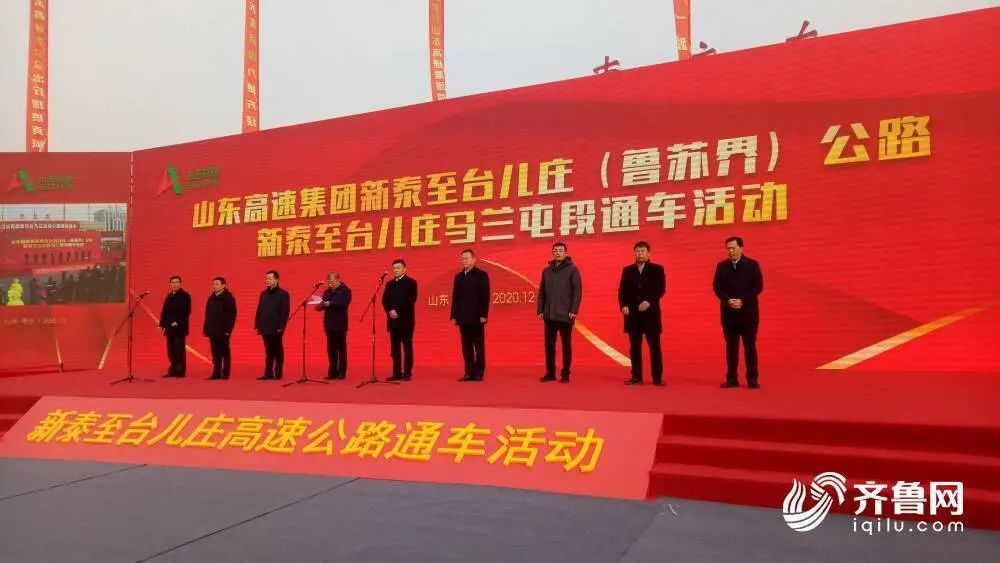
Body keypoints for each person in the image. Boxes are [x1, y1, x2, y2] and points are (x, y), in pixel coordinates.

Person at [713, 236, 764, 389]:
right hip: (729, 314)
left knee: (750, 347)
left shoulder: (752, 265)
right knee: (731, 349)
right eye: (728, 248)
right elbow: (717, 288)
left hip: (748, 314)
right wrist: (728, 300)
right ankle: (731, 379)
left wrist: (742, 300)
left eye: (733, 248)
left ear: (741, 248)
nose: (730, 251)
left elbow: (757, 287)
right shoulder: (721, 267)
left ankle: (752, 379)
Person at [618, 241, 666, 386]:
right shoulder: (628, 270)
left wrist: (649, 301)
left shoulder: (657, 269)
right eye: (638, 251)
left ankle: (657, 377)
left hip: (651, 313)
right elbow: (622, 290)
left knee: (654, 346)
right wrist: (623, 305)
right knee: (634, 347)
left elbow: (661, 289)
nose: (640, 254)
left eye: (643, 251)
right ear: (635, 253)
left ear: (648, 253)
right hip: (633, 314)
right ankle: (636, 376)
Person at [537, 242, 582, 383]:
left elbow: (577, 291)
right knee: (549, 345)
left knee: (566, 345)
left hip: (565, 314)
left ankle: (565, 373)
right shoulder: (546, 271)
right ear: (552, 253)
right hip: (549, 314)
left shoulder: (573, 269)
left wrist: (573, 310)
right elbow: (541, 292)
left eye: (561, 250)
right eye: (555, 250)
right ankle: (550, 372)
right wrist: (540, 309)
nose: (558, 253)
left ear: (566, 253)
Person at [450, 249, 490, 382]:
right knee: (466, 347)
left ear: (474, 259)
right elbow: (455, 298)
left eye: (466, 258)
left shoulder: (481, 275)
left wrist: (484, 315)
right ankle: (468, 372)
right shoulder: (458, 277)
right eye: (462, 259)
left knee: (478, 346)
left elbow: (485, 296)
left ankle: (479, 372)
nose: (464, 261)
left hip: (477, 317)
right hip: (462, 317)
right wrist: (453, 315)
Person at [382, 259, 417, 381]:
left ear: (404, 269)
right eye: (394, 268)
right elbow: (385, 300)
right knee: (395, 348)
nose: (395, 270)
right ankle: (396, 373)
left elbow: (410, 301)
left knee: (407, 347)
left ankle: (407, 372)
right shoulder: (389, 284)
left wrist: (397, 311)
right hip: (393, 321)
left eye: (398, 268)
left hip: (406, 321)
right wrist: (390, 311)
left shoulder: (411, 283)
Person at [255, 270, 290, 380]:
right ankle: (268, 373)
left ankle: (278, 372)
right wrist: (258, 324)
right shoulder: (263, 294)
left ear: (276, 280)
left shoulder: (283, 294)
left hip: (276, 327)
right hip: (265, 326)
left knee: (277, 350)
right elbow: (259, 310)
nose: (267, 280)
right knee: (268, 350)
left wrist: (281, 326)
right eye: (266, 278)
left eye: (270, 278)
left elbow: (284, 312)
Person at [317, 272, 352, 380]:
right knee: (331, 349)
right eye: (329, 282)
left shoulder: (345, 291)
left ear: (338, 280)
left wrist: (330, 303)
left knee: (341, 349)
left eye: (332, 282)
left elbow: (343, 304)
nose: (330, 284)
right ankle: (332, 372)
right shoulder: (327, 292)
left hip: (340, 324)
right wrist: (319, 305)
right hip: (329, 324)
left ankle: (342, 372)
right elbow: (323, 302)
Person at [204, 277, 237, 380]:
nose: (215, 286)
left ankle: (225, 373)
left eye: (217, 284)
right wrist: (206, 328)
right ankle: (216, 372)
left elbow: (232, 315)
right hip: (212, 330)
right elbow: (207, 314)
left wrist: (228, 330)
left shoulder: (228, 298)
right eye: (214, 284)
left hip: (223, 330)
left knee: (224, 351)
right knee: (215, 352)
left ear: (223, 285)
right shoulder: (211, 297)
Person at [159, 275, 191, 378]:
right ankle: (172, 370)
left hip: (179, 328)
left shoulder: (185, 296)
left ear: (180, 284)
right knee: (171, 351)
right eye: (173, 282)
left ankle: (180, 371)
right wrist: (161, 324)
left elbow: (186, 311)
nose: (174, 284)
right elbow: (164, 310)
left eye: (177, 282)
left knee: (179, 350)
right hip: (169, 328)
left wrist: (177, 321)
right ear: (170, 284)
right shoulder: (169, 296)